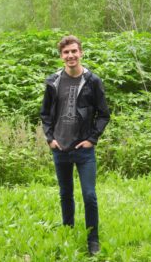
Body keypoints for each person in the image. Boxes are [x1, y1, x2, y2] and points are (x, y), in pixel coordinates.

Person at [40, 35, 110, 255]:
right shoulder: (53, 81)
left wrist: (92, 139)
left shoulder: (92, 81)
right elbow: (45, 113)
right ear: (61, 56)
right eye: (66, 52)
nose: (70, 55)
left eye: (74, 51)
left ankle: (93, 240)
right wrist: (50, 138)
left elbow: (103, 114)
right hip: (60, 148)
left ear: (81, 53)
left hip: (83, 150)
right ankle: (68, 232)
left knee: (89, 194)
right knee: (65, 193)